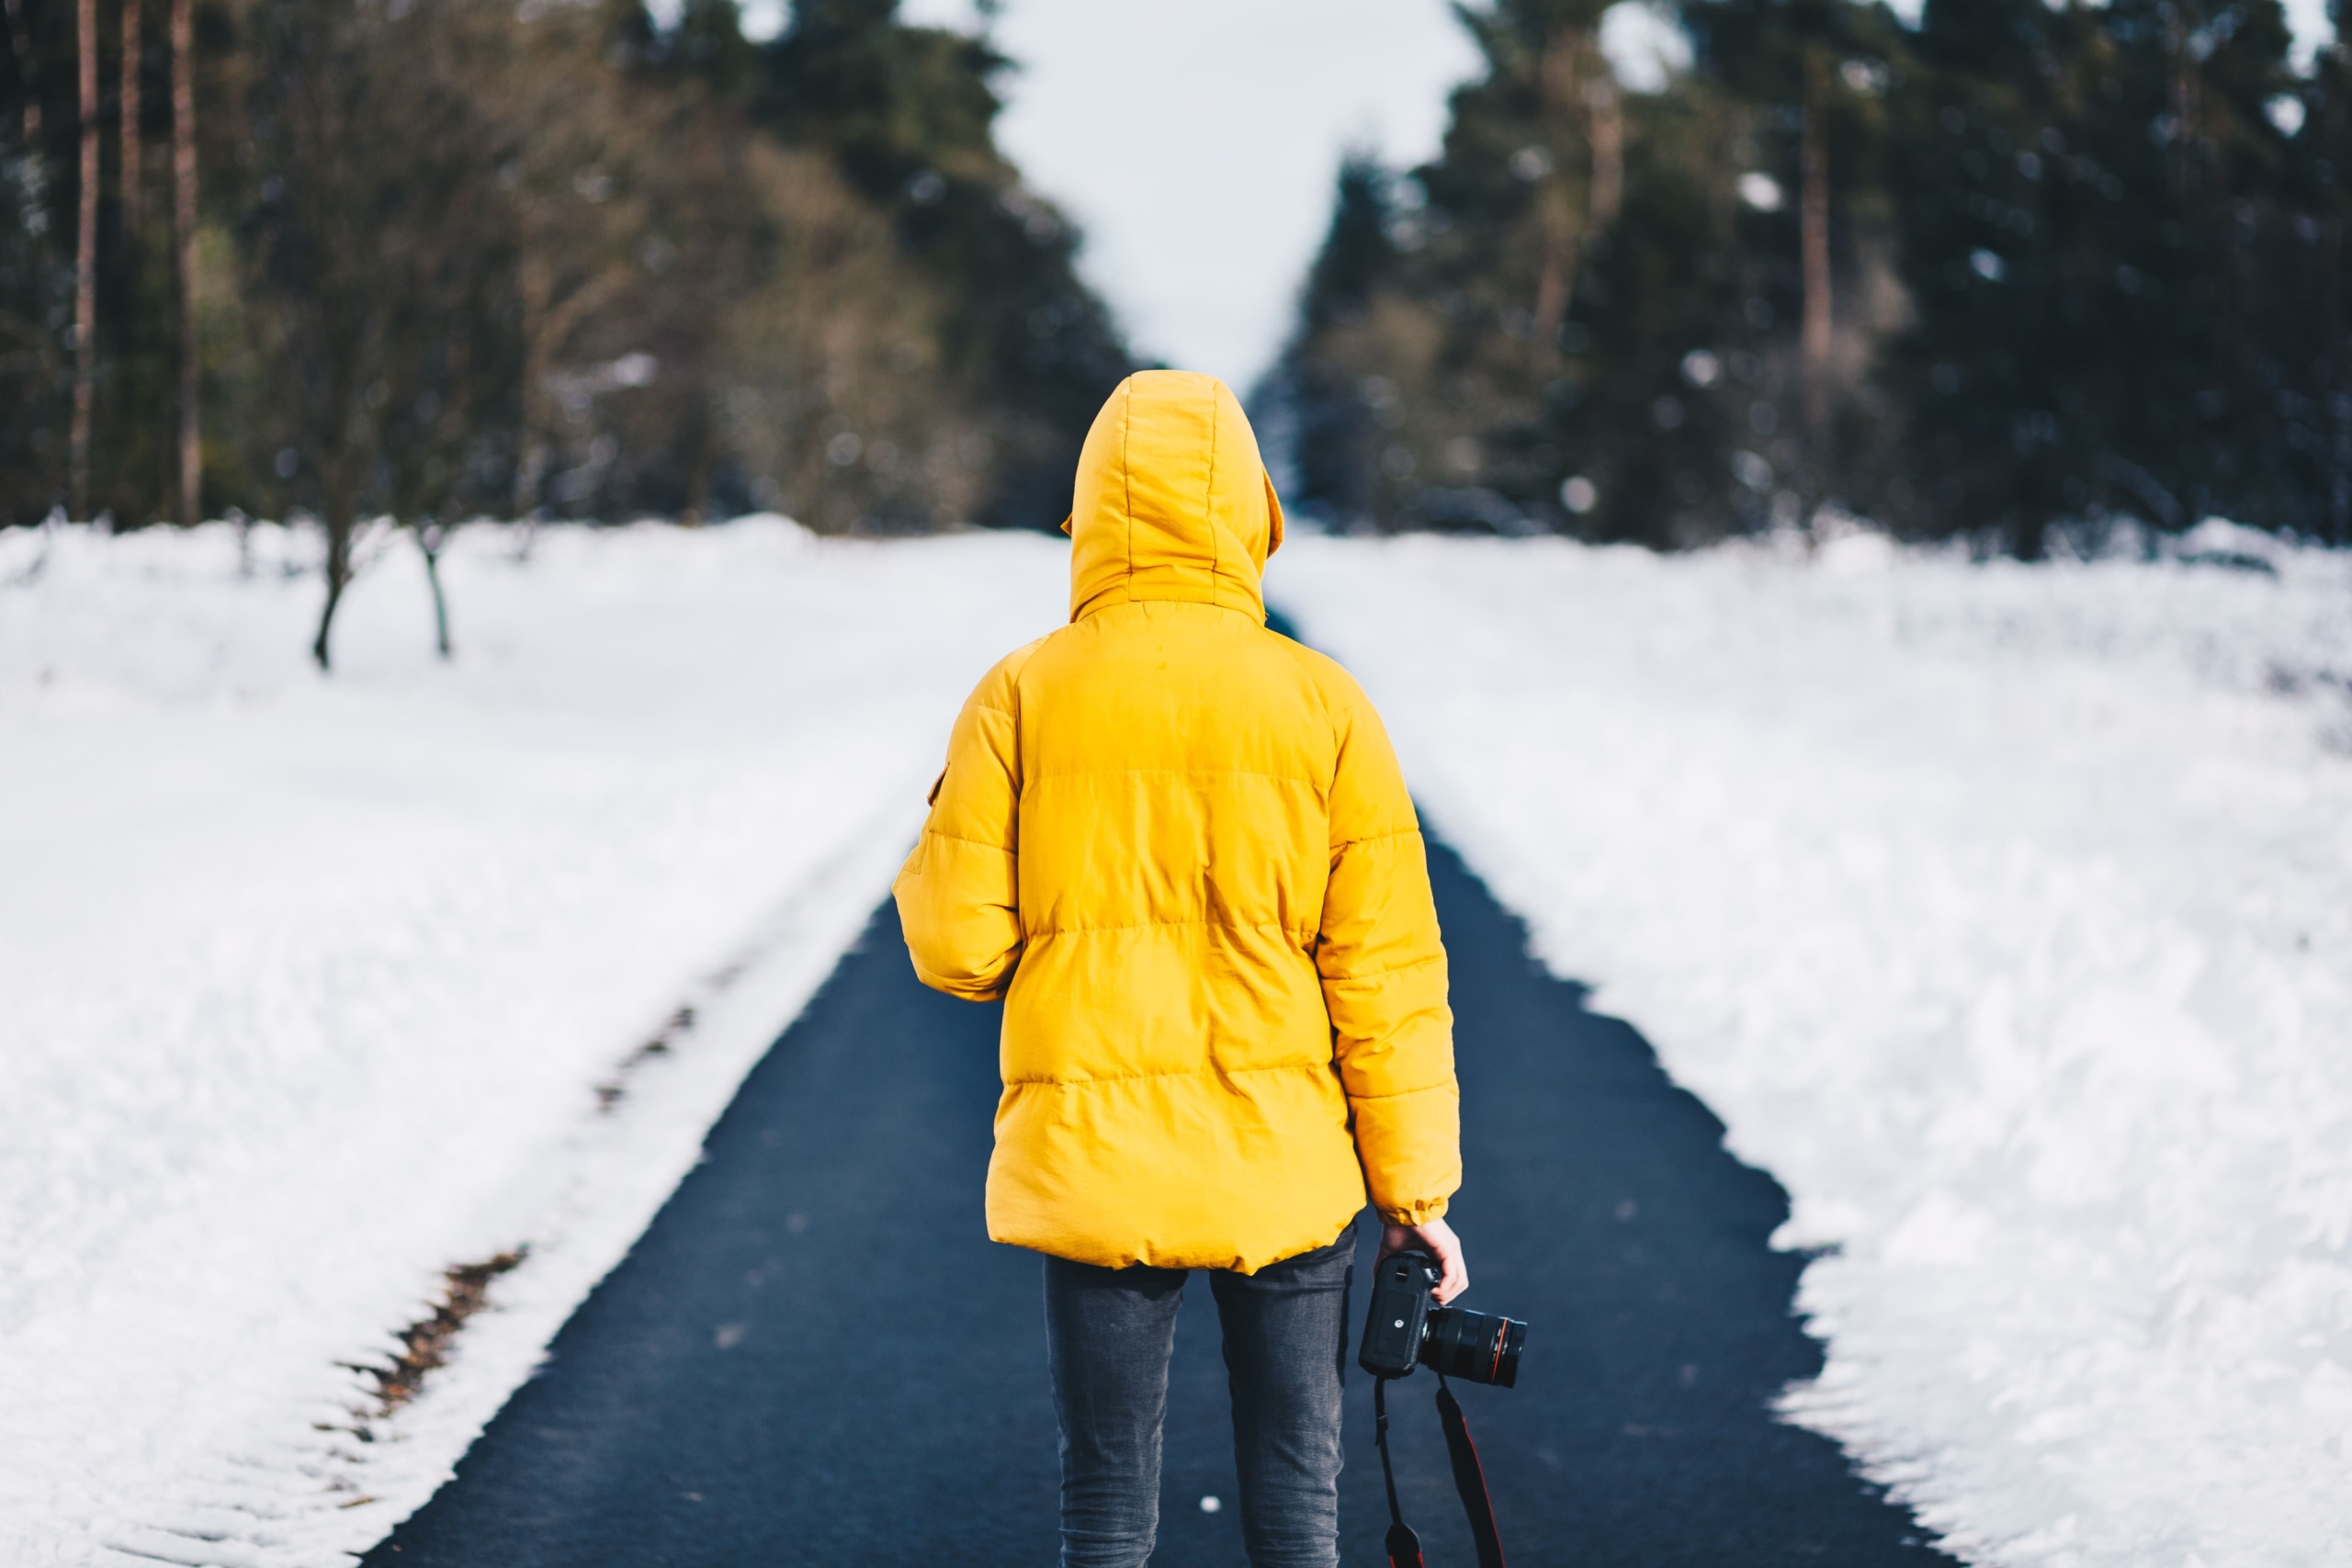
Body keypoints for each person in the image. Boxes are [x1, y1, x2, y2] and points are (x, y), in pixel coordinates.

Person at [894, 369, 1463, 1568]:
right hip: (1289, 1171)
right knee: (1300, 1491)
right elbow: (1388, 976)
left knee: (1103, 1494)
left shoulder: (1021, 695)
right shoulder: (1325, 705)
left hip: (1097, 1168)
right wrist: (1417, 1199)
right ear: (1251, 513)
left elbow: (957, 947)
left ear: (1093, 510)